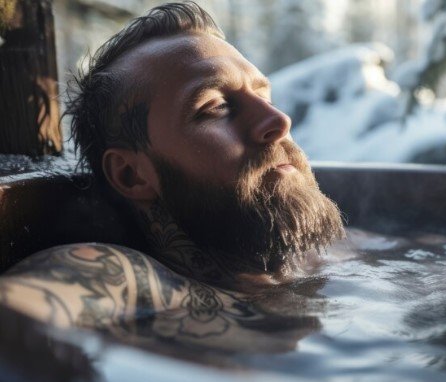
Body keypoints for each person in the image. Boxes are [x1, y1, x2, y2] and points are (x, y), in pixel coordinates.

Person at [0, 2, 344, 349]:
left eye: (263, 95)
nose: (278, 121)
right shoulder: (129, 281)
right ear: (132, 175)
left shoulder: (328, 252)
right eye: (216, 107)